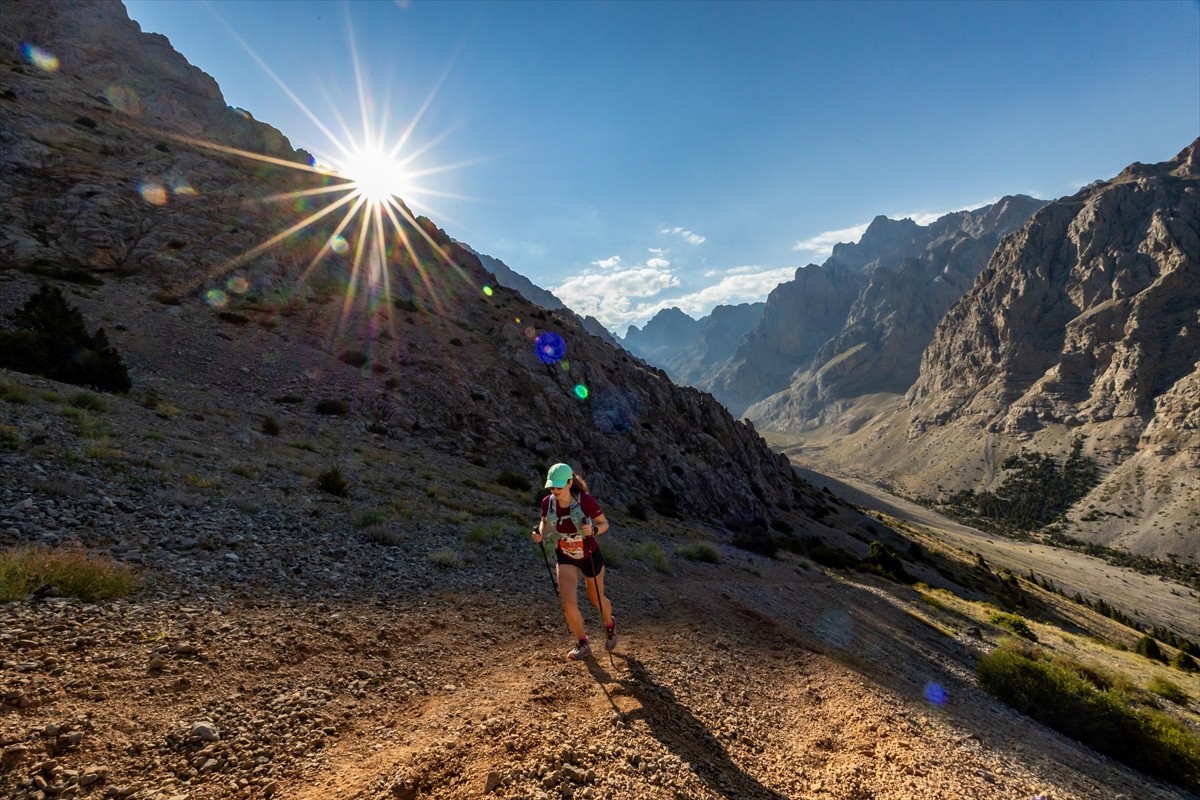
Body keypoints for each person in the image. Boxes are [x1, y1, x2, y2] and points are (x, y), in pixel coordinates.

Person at [531, 462, 617, 661]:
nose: (555, 491)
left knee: (596, 598)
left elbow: (604, 523)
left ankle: (609, 624)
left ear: (570, 483)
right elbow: (545, 522)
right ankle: (582, 643)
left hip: (589, 555)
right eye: (552, 487)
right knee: (568, 603)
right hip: (565, 555)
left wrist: (594, 530)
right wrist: (540, 533)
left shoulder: (585, 501)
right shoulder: (548, 502)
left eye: (559, 487)